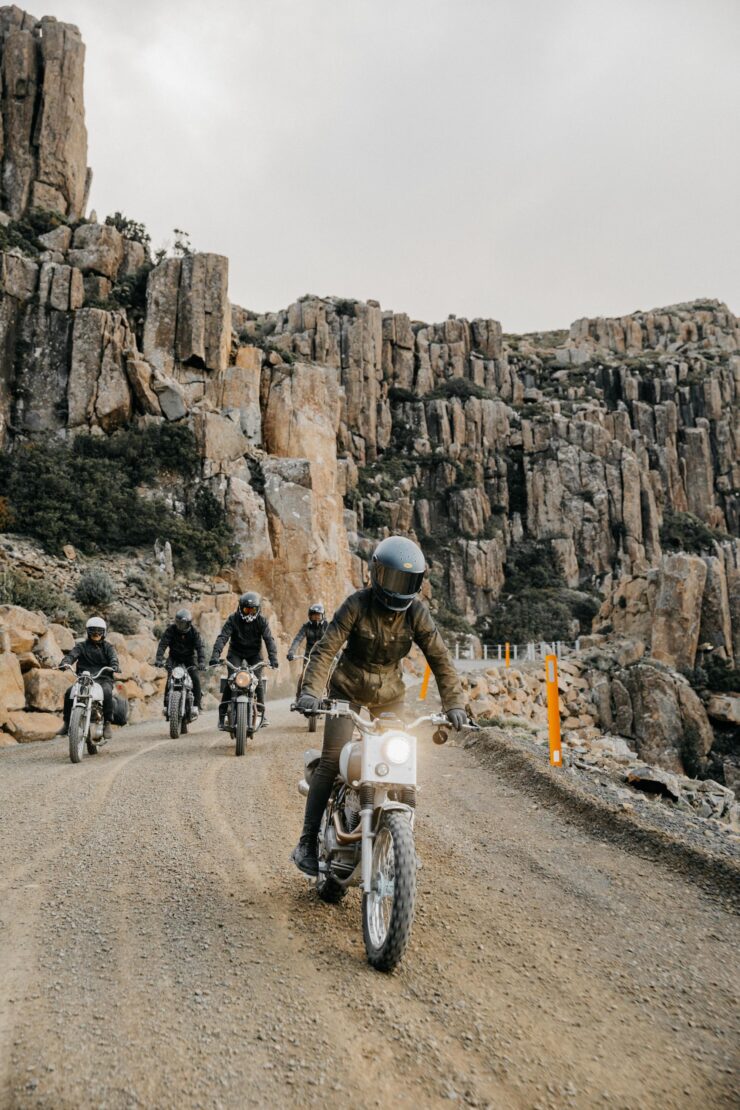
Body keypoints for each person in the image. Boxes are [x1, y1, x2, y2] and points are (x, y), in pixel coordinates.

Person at [291, 536, 468, 876]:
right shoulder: (356, 604)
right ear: (376, 573)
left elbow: (440, 658)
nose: (398, 587)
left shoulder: (416, 612)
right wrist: (311, 692)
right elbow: (326, 649)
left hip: (390, 697)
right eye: (392, 578)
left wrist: (455, 704)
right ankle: (307, 842)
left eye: (407, 581)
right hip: (348, 692)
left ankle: (404, 846)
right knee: (331, 760)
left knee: (404, 766)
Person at [209, 592, 278, 728]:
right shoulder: (233, 619)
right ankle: (222, 715)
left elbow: (269, 639)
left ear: (258, 610)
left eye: (253, 610)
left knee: (257, 682)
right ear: (240, 608)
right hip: (236, 652)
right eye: (247, 610)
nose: (249, 614)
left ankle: (261, 713)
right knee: (232, 680)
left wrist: (273, 658)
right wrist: (215, 656)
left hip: (254, 654)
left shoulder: (261, 621)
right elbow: (223, 637)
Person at [58, 616, 120, 741]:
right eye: (93, 631)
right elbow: (71, 655)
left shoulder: (108, 647)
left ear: (104, 632)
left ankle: (107, 723)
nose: (96, 634)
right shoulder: (81, 646)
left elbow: (113, 658)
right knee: (70, 692)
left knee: (107, 692)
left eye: (99, 631)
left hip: (103, 677)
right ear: (88, 631)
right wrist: (65, 662)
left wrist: (114, 666)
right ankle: (66, 723)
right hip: (84, 678)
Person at [155, 608, 206, 716]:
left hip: (189, 658)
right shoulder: (171, 630)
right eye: (178, 623)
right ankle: (166, 705)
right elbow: (163, 644)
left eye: (183, 624)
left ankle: (197, 705)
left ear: (188, 623)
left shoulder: (194, 632)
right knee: (170, 679)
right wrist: (159, 659)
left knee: (195, 678)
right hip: (174, 658)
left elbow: (200, 647)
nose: (180, 626)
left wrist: (201, 662)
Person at [287, 603, 328, 697]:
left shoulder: (327, 626)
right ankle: (298, 698)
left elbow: (333, 639)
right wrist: (291, 652)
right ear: (310, 616)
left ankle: (330, 699)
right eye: (314, 616)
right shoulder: (306, 626)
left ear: (323, 616)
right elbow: (298, 639)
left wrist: (336, 654)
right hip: (309, 656)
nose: (316, 618)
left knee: (329, 678)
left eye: (318, 615)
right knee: (303, 677)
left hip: (324, 656)